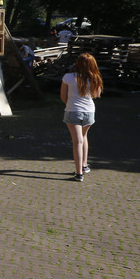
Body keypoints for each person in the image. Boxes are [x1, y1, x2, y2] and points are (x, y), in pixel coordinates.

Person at [61, 53, 103, 182]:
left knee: (77, 141)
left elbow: (63, 96)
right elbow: (96, 94)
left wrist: (71, 104)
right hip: (89, 111)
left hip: (73, 111)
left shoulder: (68, 77)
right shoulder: (95, 78)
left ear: (78, 63)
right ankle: (84, 165)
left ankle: (79, 174)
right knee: (84, 137)